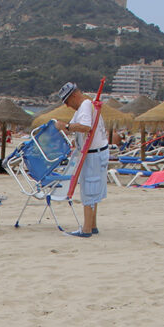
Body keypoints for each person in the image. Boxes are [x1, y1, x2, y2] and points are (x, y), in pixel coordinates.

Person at [59, 82, 106, 236]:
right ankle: (92, 225)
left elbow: (85, 127)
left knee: (89, 189)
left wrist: (65, 127)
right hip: (97, 152)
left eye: (67, 101)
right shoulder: (85, 106)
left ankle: (86, 229)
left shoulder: (85, 105)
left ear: (74, 96)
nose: (67, 106)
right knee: (93, 189)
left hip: (93, 154)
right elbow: (79, 126)